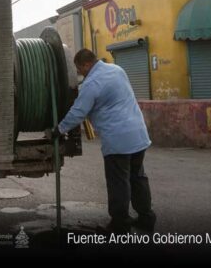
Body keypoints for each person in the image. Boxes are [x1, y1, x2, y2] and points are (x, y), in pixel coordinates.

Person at [53, 49, 156, 234]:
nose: (80, 73)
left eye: (79, 68)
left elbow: (78, 112)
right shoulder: (117, 70)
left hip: (118, 140)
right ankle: (146, 218)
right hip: (138, 134)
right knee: (138, 177)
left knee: (119, 182)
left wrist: (59, 129)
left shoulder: (92, 84)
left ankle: (120, 224)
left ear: (86, 64)